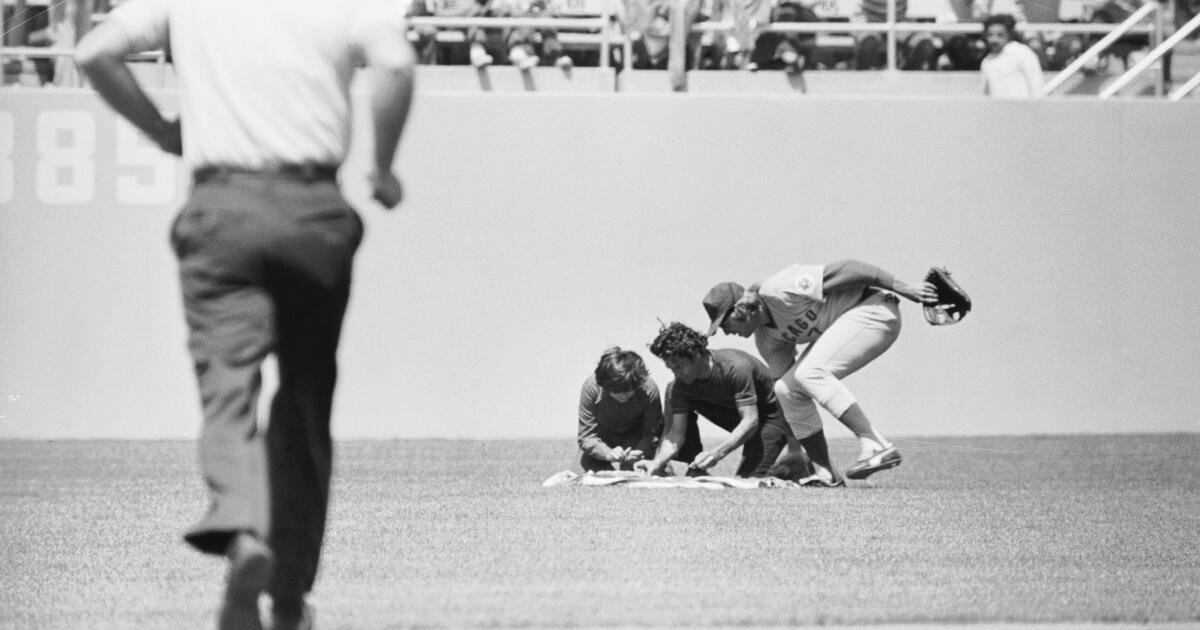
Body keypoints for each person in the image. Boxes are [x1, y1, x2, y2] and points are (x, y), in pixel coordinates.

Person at [74, 1, 416, 628]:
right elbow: (395, 61)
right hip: (313, 211)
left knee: (226, 391)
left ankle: (241, 529)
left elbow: (94, 52)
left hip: (221, 210)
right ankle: (289, 596)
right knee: (306, 399)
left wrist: (161, 129)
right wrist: (384, 167)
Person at [703, 260, 938, 483]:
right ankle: (826, 473)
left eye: (724, 323)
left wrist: (903, 287)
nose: (725, 331)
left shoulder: (778, 289)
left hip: (874, 309)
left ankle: (876, 445)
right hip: (851, 322)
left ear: (740, 309)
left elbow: (849, 268)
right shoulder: (766, 340)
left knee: (809, 372)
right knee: (785, 389)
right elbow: (786, 396)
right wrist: (795, 450)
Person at [635, 322, 822, 484]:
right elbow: (676, 434)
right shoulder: (680, 386)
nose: (676, 373)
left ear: (696, 354)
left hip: (770, 420)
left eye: (679, 367)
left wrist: (717, 453)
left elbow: (751, 421)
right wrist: (656, 463)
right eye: (670, 368)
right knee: (673, 393)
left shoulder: (736, 368)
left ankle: (797, 467)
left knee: (749, 483)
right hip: (738, 419)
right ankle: (696, 468)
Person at [577, 347, 664, 472]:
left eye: (628, 391)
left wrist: (640, 450)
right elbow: (587, 437)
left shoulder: (650, 389)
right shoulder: (591, 387)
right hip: (601, 442)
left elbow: (651, 434)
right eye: (616, 391)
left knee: (653, 475)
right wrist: (607, 453)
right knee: (579, 478)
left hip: (637, 442)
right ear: (603, 384)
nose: (622, 395)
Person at [979, 13, 1045, 97]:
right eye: (990, 35)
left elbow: (1036, 83)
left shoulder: (1021, 52)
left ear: (1009, 35)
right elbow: (985, 93)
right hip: (998, 109)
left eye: (1000, 35)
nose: (994, 39)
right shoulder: (986, 61)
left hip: (1024, 108)